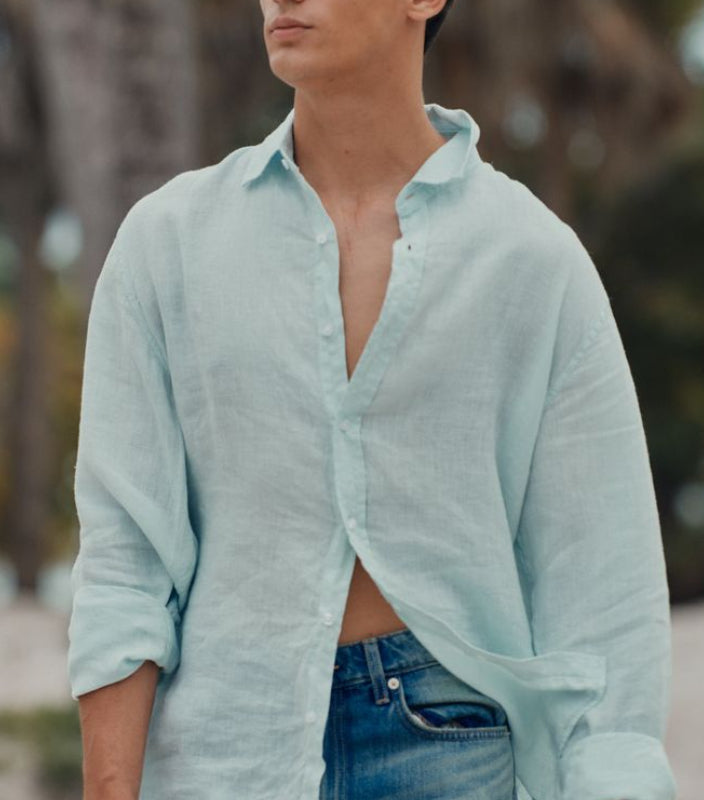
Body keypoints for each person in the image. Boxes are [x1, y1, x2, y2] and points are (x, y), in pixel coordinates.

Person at [66, 1, 677, 799]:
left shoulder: (533, 263)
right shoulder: (167, 244)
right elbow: (124, 567)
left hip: (450, 748)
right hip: (224, 750)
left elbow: (601, 603)